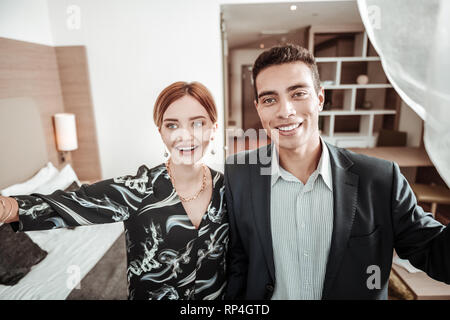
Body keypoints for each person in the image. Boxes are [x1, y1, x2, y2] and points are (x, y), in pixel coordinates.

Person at [224, 44, 450, 300]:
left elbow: (436, 253)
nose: (285, 111)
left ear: (320, 98)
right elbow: (236, 261)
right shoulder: (238, 174)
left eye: (298, 94)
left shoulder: (380, 179)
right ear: (258, 108)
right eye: (269, 99)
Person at [0, 81, 228, 300]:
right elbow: (75, 202)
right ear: (160, 132)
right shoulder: (138, 189)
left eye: (198, 123)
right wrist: (8, 206)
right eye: (172, 125)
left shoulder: (228, 188)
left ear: (214, 128)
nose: (184, 135)